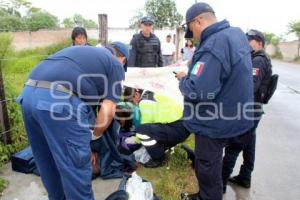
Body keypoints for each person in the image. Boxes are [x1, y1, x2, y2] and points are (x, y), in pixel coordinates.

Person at [16, 42, 129, 200]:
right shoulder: (115, 65)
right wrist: (93, 136)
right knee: (75, 171)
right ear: (122, 59)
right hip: (59, 103)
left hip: (27, 96)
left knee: (48, 164)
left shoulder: (82, 52)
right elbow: (108, 109)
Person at [175, 2, 254, 200]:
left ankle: (207, 196)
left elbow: (198, 90)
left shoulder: (213, 45)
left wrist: (184, 79)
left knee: (207, 170)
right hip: (236, 117)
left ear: (198, 21)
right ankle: (206, 194)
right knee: (216, 166)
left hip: (214, 124)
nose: (193, 36)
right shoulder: (236, 35)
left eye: (191, 30)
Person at [222, 29, 272, 191]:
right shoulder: (258, 58)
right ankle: (245, 177)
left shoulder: (258, 61)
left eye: (249, 40)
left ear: (259, 43)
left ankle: (219, 183)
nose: (246, 42)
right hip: (254, 111)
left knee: (234, 146)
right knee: (249, 145)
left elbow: (249, 87)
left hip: (248, 111)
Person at [116, 87, 190, 168]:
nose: (134, 103)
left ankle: (159, 159)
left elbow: (144, 126)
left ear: (136, 94)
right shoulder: (151, 91)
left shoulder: (144, 102)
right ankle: (165, 148)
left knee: (141, 131)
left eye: (131, 101)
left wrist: (135, 140)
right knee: (151, 131)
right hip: (183, 125)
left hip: (177, 128)